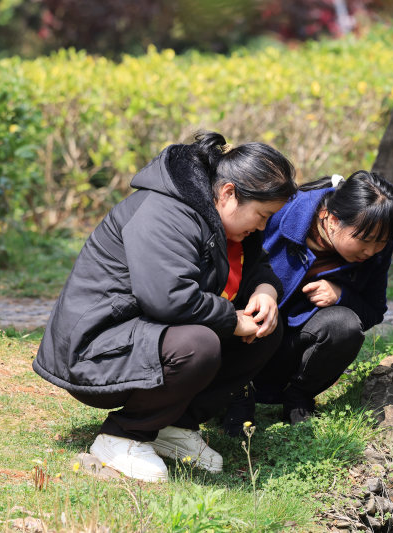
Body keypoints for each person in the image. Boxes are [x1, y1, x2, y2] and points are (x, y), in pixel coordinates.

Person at [32, 132, 296, 482]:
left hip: (141, 333)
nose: (263, 226)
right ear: (229, 192)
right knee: (199, 346)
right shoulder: (168, 210)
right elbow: (168, 297)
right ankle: (123, 435)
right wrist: (232, 320)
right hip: (93, 348)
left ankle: (174, 425)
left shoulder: (220, 216)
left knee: (265, 329)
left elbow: (256, 264)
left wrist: (266, 291)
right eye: (262, 215)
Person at [223, 170, 393, 429]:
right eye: (364, 240)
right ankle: (235, 392)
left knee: (344, 325)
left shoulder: (376, 243)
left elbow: (374, 310)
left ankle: (298, 396)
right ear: (329, 219)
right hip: (242, 338)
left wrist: (342, 296)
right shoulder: (279, 212)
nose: (372, 250)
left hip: (291, 347)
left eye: (382, 242)